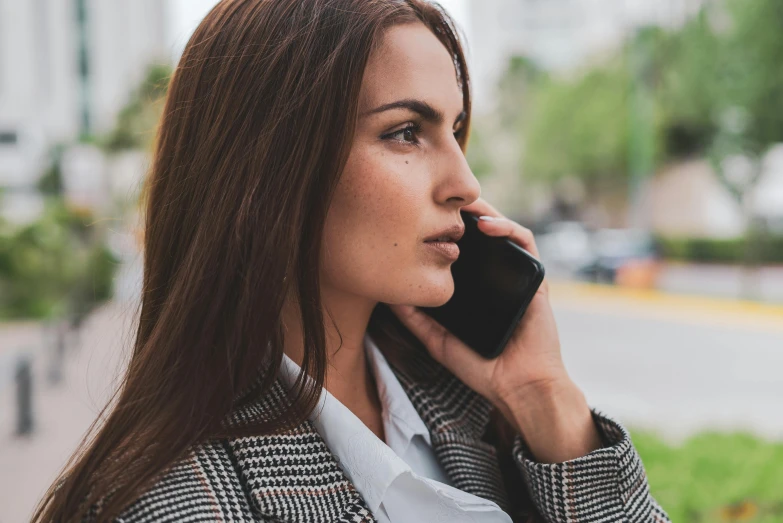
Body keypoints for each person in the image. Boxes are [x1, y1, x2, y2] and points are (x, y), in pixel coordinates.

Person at [33, 1, 671, 521]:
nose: (465, 182)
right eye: (404, 132)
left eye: (455, 129)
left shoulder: (471, 413)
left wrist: (545, 402)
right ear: (270, 168)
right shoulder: (177, 506)